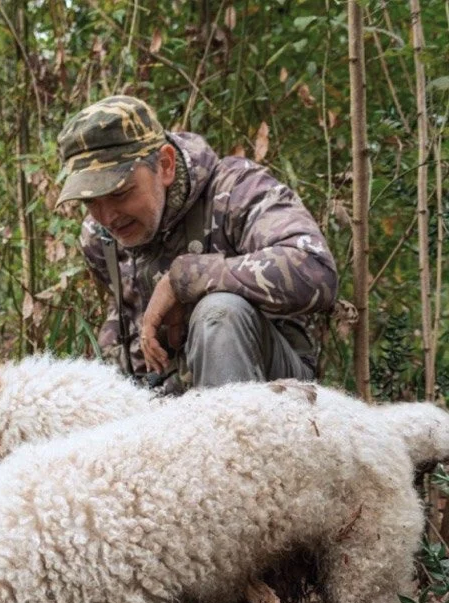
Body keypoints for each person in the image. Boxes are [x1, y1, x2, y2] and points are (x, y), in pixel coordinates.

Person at [56, 95, 338, 390]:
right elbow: (125, 324)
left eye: (119, 194)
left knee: (220, 313)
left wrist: (187, 278)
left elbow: (316, 269)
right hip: (171, 399)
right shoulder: (99, 237)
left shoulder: (236, 191)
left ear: (165, 165)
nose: (108, 217)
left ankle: (232, 435)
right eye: (90, 201)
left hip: (274, 394)